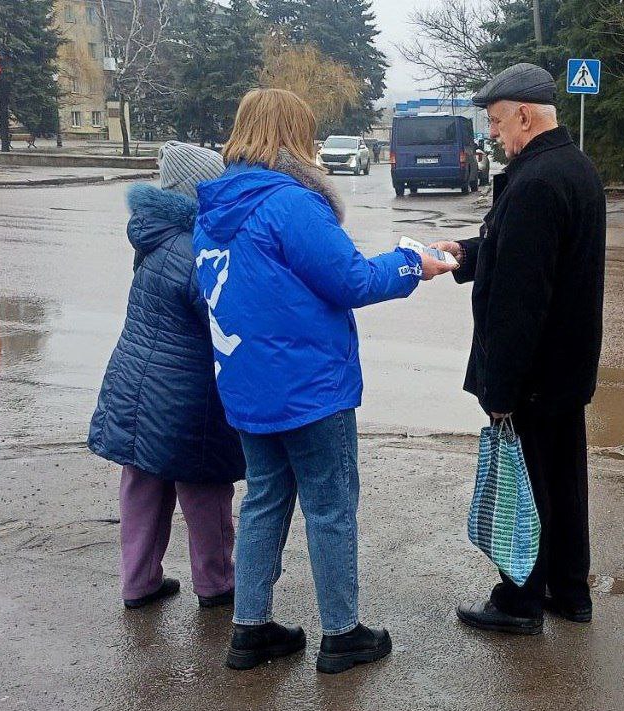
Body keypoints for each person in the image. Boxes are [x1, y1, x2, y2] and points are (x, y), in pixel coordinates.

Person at [194, 88, 455, 673]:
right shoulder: (289, 204)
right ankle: (342, 634)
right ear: (292, 135)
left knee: (263, 501)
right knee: (331, 507)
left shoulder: (214, 208)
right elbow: (353, 281)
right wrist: (414, 262)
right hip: (310, 389)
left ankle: (250, 629)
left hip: (245, 386)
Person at [431, 62, 606, 635]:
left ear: (525, 117)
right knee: (563, 478)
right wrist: (465, 250)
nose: (495, 135)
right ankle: (569, 590)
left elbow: (519, 300)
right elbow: (519, 251)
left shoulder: (533, 183)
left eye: (499, 122)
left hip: (532, 371)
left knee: (524, 487)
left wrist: (500, 389)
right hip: (566, 365)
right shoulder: (574, 168)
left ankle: (521, 599)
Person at [88, 141, 246, 611]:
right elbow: (222, 317)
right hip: (185, 393)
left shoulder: (154, 236)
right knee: (204, 488)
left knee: (142, 485)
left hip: (135, 382)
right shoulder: (196, 249)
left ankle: (138, 582)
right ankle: (216, 582)